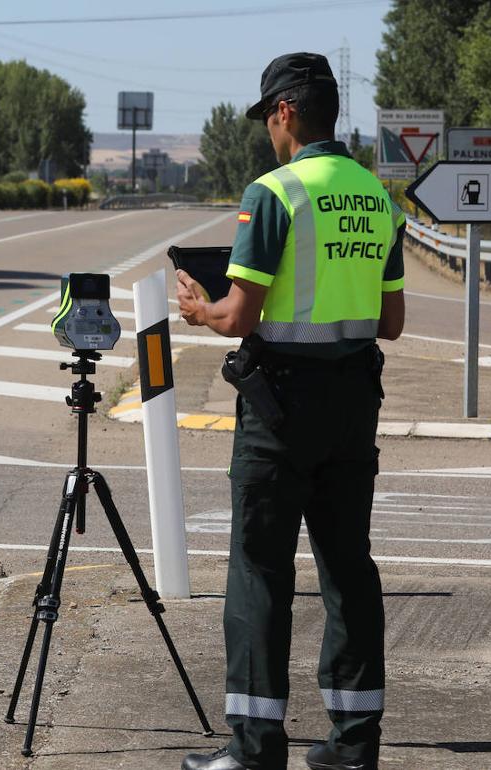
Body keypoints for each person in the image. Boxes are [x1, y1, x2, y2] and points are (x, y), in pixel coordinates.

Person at [176, 52, 405, 770]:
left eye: (268, 121)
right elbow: (390, 321)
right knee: (348, 571)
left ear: (285, 113)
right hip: (352, 405)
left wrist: (197, 309)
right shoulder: (377, 196)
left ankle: (253, 747)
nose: (269, 135)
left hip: (279, 408)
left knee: (259, 572)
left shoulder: (275, 193)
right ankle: (353, 744)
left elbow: (240, 316)